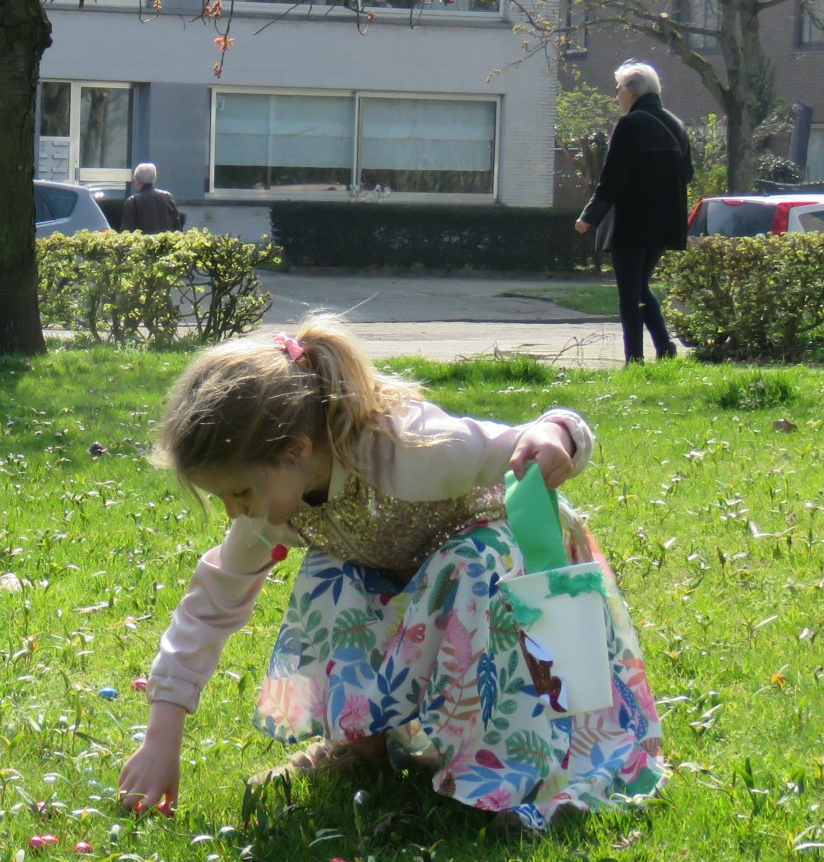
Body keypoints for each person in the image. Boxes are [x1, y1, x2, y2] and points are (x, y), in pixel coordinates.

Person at [116, 316, 665, 831]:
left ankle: (507, 772)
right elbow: (210, 607)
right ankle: (362, 752)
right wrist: (162, 737)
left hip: (508, 579)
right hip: (408, 582)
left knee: (468, 564)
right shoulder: (271, 510)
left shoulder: (412, 447)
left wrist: (558, 437)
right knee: (333, 576)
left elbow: (541, 433)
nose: (236, 511)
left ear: (295, 449)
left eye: (238, 492)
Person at [576, 61, 691, 364]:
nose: (616, 96)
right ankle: (665, 348)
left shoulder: (630, 124)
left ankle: (634, 358)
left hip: (631, 223)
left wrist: (588, 217)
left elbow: (611, 178)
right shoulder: (676, 125)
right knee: (640, 286)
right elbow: (687, 174)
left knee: (629, 292)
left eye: (618, 90)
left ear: (631, 91)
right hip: (666, 223)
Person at [122, 162, 183, 234]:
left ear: (137, 180)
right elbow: (177, 229)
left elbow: (126, 232)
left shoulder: (133, 201)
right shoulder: (167, 197)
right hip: (165, 244)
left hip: (141, 244)